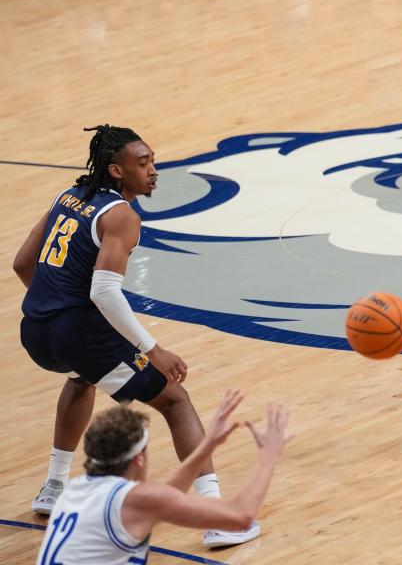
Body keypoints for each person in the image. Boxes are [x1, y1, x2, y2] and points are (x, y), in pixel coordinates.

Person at [14, 125, 259, 546]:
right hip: (77, 332)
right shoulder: (121, 216)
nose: (153, 170)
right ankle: (214, 516)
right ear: (116, 170)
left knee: (82, 377)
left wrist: (53, 311)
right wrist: (153, 349)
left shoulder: (66, 197)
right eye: (142, 163)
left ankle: (54, 487)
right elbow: (104, 291)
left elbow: (22, 263)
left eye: (153, 160)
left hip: (35, 329)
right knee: (175, 399)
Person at [36, 389, 291, 564]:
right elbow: (241, 516)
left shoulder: (75, 491)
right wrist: (268, 456)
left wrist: (208, 445)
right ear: (139, 458)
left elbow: (164, 496)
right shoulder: (133, 500)